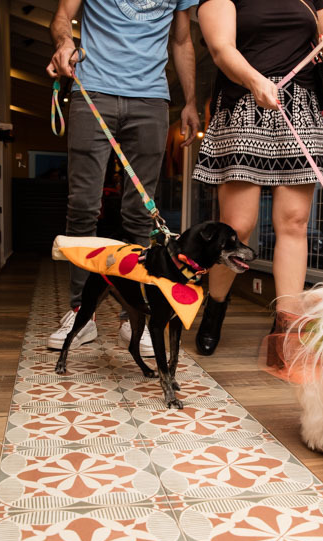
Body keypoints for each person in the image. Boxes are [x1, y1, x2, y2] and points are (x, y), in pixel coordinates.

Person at [45, 0, 200, 356]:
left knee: (139, 212)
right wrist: (64, 42)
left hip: (152, 100)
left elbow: (181, 41)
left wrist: (190, 101)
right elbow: (61, 17)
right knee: (82, 206)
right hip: (93, 90)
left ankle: (136, 317)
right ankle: (78, 313)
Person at [191, 0, 323, 356]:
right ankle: (214, 308)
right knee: (238, 227)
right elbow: (221, 49)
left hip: (300, 107)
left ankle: (286, 331)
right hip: (246, 102)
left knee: (294, 222)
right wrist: (256, 81)